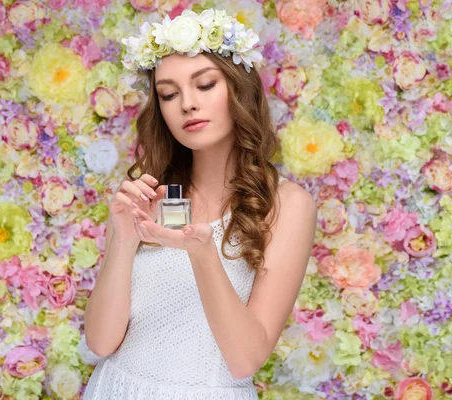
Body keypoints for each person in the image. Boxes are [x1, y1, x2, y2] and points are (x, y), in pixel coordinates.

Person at [82, 8, 317, 399]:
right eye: (169, 94)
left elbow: (245, 359)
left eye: (205, 85)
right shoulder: (147, 193)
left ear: (239, 90)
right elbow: (101, 343)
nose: (187, 104)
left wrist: (203, 252)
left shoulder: (287, 205)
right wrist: (123, 241)